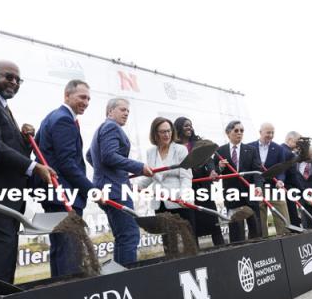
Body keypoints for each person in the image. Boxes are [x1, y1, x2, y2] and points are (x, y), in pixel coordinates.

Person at [0, 61, 56, 284]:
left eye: (18, 80)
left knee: (3, 260)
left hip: (8, 201)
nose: (14, 83)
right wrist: (33, 166)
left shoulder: (3, 106)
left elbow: (10, 147)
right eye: (9, 77)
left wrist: (25, 138)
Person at [36, 79, 95, 277]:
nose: (86, 102)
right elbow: (67, 163)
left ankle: (59, 294)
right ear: (67, 95)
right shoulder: (63, 119)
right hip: (63, 196)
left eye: (88, 98)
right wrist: (92, 190)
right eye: (81, 97)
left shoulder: (52, 117)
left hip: (55, 196)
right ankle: (68, 298)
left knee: (61, 250)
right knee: (70, 254)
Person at [87, 98, 153, 265]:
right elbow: (109, 156)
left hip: (109, 187)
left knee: (122, 236)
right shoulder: (111, 127)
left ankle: (120, 276)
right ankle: (127, 278)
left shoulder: (101, 129)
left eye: (128, 112)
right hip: (115, 190)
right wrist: (139, 167)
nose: (126, 114)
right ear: (110, 111)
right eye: (122, 110)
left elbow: (90, 155)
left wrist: (114, 175)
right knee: (130, 235)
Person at [137, 117, 194, 231]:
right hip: (160, 202)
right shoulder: (151, 152)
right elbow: (152, 174)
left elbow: (186, 176)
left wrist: (183, 195)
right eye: (163, 132)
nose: (167, 134)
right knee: (168, 240)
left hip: (179, 200)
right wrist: (139, 185)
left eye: (169, 131)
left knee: (187, 238)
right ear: (155, 134)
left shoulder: (180, 149)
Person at [174, 117, 224, 246]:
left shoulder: (199, 142)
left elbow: (209, 160)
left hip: (203, 187)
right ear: (179, 128)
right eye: (186, 126)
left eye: (190, 125)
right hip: (186, 188)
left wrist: (212, 171)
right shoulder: (174, 147)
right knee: (191, 224)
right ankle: (194, 253)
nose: (189, 127)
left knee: (212, 221)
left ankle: (221, 249)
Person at [216, 120, 263, 243]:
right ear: (228, 133)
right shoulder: (220, 151)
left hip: (250, 193)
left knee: (255, 228)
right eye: (236, 130)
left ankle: (258, 253)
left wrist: (258, 187)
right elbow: (215, 174)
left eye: (242, 131)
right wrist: (220, 167)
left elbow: (257, 171)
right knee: (236, 231)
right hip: (232, 195)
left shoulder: (251, 150)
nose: (239, 133)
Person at [248, 122, 290, 236]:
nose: (270, 135)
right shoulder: (249, 147)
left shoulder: (278, 148)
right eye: (268, 132)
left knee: (282, 216)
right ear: (260, 132)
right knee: (259, 220)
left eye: (272, 132)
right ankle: (263, 242)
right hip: (257, 188)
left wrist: (280, 180)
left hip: (274, 187)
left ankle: (285, 238)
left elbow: (281, 168)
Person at [281, 131, 306, 227]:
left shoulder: (279, 149)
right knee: (292, 216)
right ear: (290, 140)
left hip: (279, 187)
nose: (299, 145)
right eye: (297, 142)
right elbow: (293, 175)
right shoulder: (289, 154)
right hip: (287, 188)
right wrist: (304, 191)